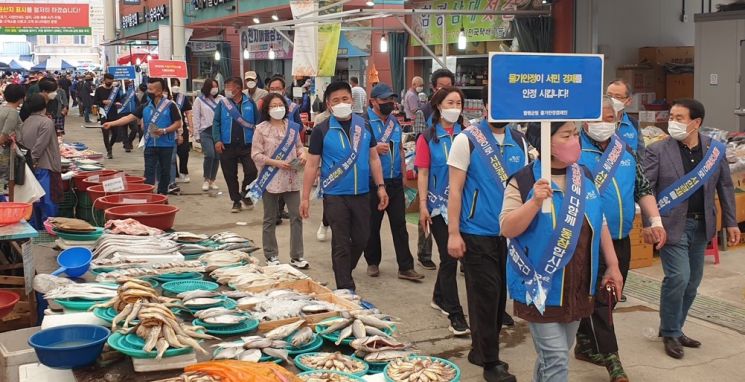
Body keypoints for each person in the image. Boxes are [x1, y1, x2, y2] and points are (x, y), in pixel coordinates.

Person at [500, 121, 624, 382]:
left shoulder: (584, 176)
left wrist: (612, 265)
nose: (575, 141)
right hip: (541, 287)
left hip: (578, 283)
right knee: (556, 359)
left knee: (553, 356)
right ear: (547, 142)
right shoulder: (522, 181)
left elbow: (599, 221)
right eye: (566, 135)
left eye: (576, 134)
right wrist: (534, 202)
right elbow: (507, 227)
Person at [574, 96, 667, 381]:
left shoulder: (625, 151)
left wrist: (656, 220)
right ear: (585, 120)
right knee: (603, 298)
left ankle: (585, 342)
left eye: (610, 118)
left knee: (610, 298)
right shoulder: (572, 149)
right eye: (598, 117)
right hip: (586, 240)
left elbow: (643, 188)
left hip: (620, 236)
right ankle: (613, 361)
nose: (604, 123)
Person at [643, 99, 740, 359]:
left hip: (702, 224)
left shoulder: (715, 150)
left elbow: (726, 187)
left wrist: (731, 222)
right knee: (678, 277)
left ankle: (674, 327)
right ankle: (671, 332)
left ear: (696, 123)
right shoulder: (658, 150)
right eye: (671, 116)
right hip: (671, 224)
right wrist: (650, 223)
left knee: (692, 282)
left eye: (679, 117)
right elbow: (646, 189)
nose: (672, 122)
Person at [446, 85, 528, 382]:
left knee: (498, 297)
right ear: (486, 105)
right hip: (475, 232)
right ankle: (491, 362)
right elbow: (454, 190)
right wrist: (453, 233)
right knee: (485, 296)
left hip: (511, 234)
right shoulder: (466, 140)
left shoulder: (520, 140)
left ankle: (481, 350)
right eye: (498, 101)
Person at [300, 80, 389, 291]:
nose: (341, 103)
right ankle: (346, 288)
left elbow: (374, 158)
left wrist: (381, 186)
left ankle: (343, 272)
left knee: (362, 237)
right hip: (335, 195)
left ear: (352, 100)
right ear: (329, 105)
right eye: (336, 100)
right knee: (341, 242)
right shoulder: (322, 130)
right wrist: (305, 198)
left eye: (345, 99)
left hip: (362, 193)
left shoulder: (364, 126)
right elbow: (312, 165)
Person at [415, 87, 469, 336]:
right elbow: (423, 172)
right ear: (438, 105)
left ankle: (438, 297)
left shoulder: (468, 135)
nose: (455, 107)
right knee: (449, 257)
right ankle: (455, 313)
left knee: (454, 259)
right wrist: (424, 205)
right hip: (438, 207)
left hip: (465, 205)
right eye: (450, 102)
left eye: (458, 103)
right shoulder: (427, 138)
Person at [361, 83, 424, 281]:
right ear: (373, 102)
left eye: (391, 100)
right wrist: (371, 149)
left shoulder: (394, 123)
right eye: (384, 101)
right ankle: (372, 262)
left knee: (399, 224)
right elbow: (354, 153)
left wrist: (404, 175)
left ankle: (405, 267)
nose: (389, 104)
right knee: (373, 225)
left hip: (395, 181)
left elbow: (401, 150)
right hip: (373, 182)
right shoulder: (363, 123)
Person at [250, 93, 309, 269]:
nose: (278, 109)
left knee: (296, 216)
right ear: (267, 109)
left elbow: (299, 146)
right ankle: (271, 255)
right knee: (270, 217)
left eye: (280, 105)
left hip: (291, 177)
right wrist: (276, 162)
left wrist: (302, 154)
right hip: (270, 178)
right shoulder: (261, 129)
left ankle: (297, 256)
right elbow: (255, 154)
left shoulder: (292, 128)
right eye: (273, 106)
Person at [103, 78, 182, 195]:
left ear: (160, 91)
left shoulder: (170, 106)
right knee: (149, 172)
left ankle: (162, 195)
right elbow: (129, 117)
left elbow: (178, 123)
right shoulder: (145, 106)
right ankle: (149, 196)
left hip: (166, 145)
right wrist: (111, 123)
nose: (148, 92)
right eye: (148, 89)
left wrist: (165, 131)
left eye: (151, 89)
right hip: (149, 144)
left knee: (165, 172)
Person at [213, 77, 259, 213]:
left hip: (247, 144)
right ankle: (236, 200)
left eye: (229, 86)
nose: (226, 89)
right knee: (230, 174)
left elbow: (258, 123)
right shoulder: (222, 104)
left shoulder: (250, 102)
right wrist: (217, 140)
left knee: (252, 171)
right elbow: (216, 122)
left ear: (238, 88)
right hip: (227, 145)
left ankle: (245, 191)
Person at [19, 94, 63, 229]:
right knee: (48, 201)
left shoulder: (26, 121)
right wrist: (33, 159)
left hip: (31, 166)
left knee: (35, 201)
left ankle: (36, 229)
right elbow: (40, 146)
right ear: (44, 106)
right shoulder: (46, 122)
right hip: (45, 166)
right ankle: (49, 229)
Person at [192, 78, 222, 192]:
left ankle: (212, 180)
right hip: (205, 131)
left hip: (218, 132)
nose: (215, 89)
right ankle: (206, 179)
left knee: (217, 156)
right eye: (212, 86)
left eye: (216, 86)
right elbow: (196, 117)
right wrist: (197, 135)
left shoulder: (221, 99)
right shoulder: (199, 100)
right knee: (209, 154)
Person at [606, 79, 645, 159]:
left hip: (627, 169)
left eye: (618, 97)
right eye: (609, 96)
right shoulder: (594, 122)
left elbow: (641, 154)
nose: (612, 100)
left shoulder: (633, 123)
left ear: (628, 101)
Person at [169, 78, 193, 192]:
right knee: (172, 154)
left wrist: (191, 126)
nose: (175, 86)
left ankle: (184, 171)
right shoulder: (166, 98)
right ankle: (175, 174)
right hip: (169, 127)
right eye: (173, 84)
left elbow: (188, 112)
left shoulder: (183, 98)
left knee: (184, 151)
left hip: (182, 127)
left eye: (177, 84)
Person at [94, 73, 122, 159]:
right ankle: (109, 151)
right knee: (105, 134)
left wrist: (118, 103)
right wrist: (103, 102)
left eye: (111, 80)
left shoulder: (115, 90)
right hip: (103, 114)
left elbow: (119, 100)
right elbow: (95, 102)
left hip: (114, 114)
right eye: (108, 80)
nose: (109, 81)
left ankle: (109, 146)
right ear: (104, 80)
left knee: (115, 134)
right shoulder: (99, 90)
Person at [115, 79, 140, 152]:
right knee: (124, 130)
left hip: (132, 113)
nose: (127, 83)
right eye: (125, 82)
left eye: (128, 82)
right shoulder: (117, 91)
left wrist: (138, 110)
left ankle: (128, 142)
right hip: (122, 112)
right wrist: (121, 97)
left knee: (135, 129)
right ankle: (127, 145)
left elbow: (136, 100)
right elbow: (115, 101)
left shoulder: (131, 90)